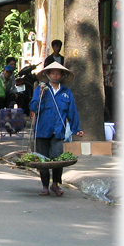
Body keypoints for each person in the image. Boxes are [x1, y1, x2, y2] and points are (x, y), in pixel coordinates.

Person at [29, 62, 83, 196]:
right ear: (47, 74)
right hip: (42, 130)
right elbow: (33, 107)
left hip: (58, 131)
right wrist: (40, 95)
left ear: (62, 75)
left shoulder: (66, 92)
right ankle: (45, 186)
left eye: (58, 73)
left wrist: (76, 128)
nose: (55, 75)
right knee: (42, 159)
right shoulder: (40, 89)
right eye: (53, 73)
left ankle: (55, 184)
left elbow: (72, 111)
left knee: (58, 159)